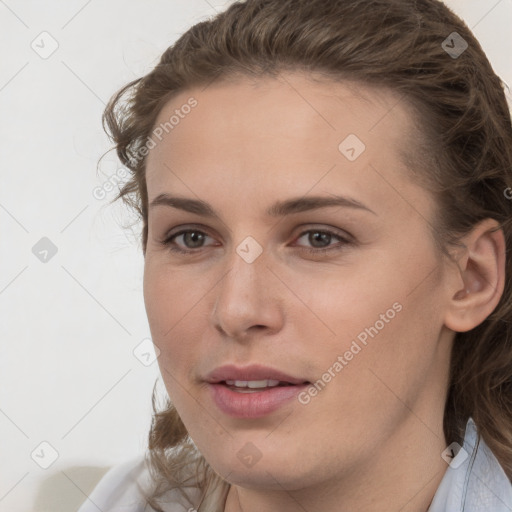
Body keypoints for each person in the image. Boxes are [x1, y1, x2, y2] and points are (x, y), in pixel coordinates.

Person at [78, 0, 512, 510]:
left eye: (319, 238)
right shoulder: (119, 499)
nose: (237, 310)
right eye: (192, 237)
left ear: (471, 278)